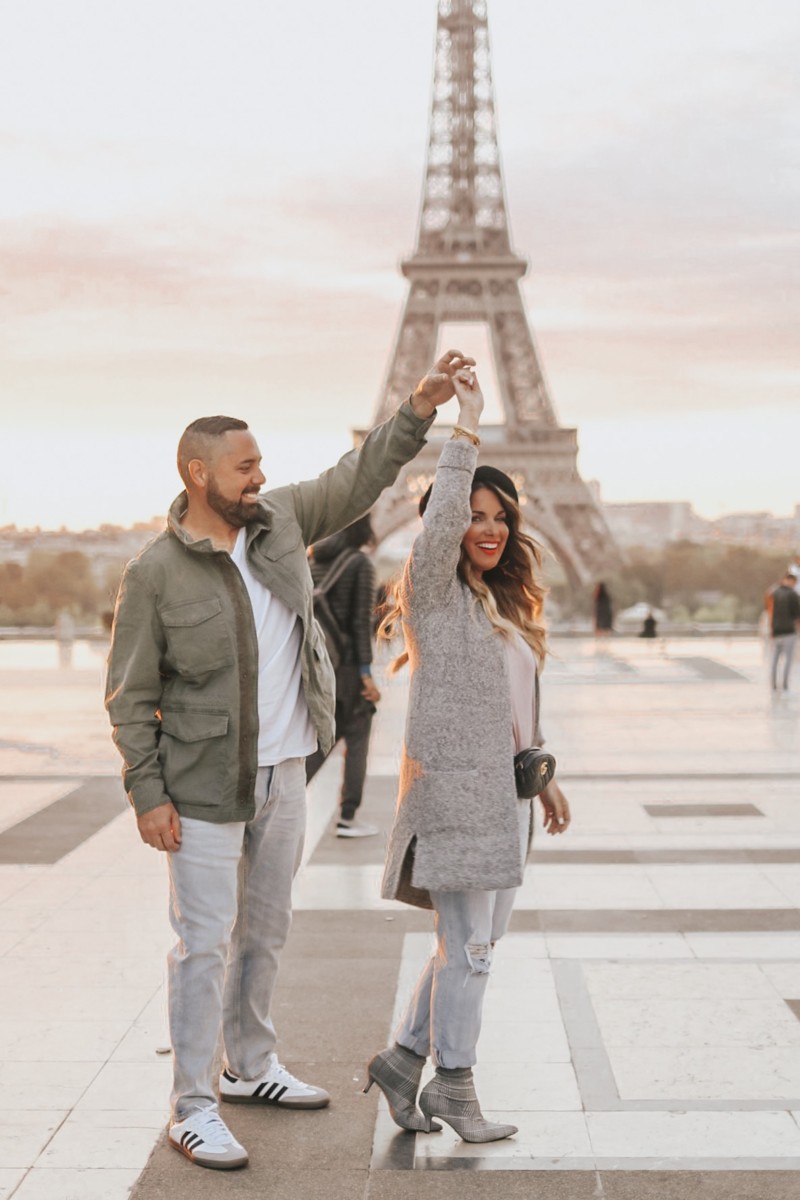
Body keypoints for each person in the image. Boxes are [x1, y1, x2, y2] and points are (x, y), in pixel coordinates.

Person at [105, 349, 474, 1171]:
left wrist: (419, 406)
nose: (259, 477)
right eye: (245, 467)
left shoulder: (281, 524)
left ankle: (251, 1065)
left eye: (261, 464)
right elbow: (129, 695)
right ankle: (193, 1105)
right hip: (201, 788)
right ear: (199, 474)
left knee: (265, 933)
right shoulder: (155, 574)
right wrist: (146, 793)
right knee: (203, 944)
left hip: (284, 774)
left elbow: (360, 474)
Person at [363, 368, 571, 1144]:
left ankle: (403, 1058)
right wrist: (469, 422)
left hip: (505, 803)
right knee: (472, 954)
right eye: (472, 516)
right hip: (456, 801)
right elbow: (445, 514)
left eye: (500, 518)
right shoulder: (437, 598)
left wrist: (543, 776)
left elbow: (515, 711)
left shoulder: (500, 605)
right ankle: (454, 1086)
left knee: (470, 950)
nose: (487, 528)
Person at [305, 513, 382, 837]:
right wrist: (366, 675)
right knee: (358, 737)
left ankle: (283, 800)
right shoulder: (360, 564)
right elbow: (361, 626)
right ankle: (348, 816)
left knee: (322, 741)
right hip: (349, 670)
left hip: (319, 668)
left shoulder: (312, 560)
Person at [768, 572, 800, 691]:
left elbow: (769, 612)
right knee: (788, 660)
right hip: (789, 631)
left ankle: (773, 684)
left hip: (776, 631)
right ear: (791, 581)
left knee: (775, 660)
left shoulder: (774, 593)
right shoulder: (793, 594)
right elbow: (797, 615)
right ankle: (785, 685)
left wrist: (771, 629)